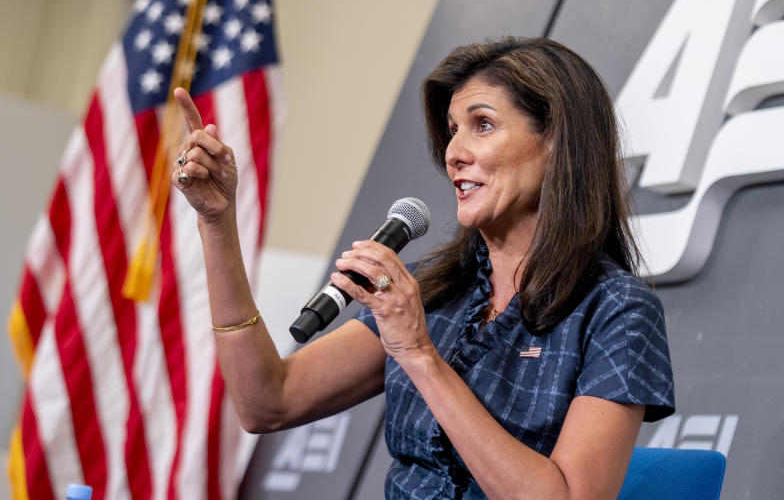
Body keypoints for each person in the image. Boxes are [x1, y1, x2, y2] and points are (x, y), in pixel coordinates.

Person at [172, 36, 675, 499]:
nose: (454, 153)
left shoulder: (617, 309)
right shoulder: (436, 292)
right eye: (453, 131)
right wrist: (217, 224)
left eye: (482, 125)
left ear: (556, 143)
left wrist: (417, 353)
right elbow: (268, 401)